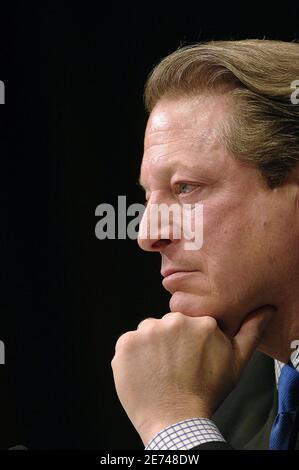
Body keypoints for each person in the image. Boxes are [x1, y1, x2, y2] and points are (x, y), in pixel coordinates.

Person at [111, 39, 299, 450]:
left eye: (186, 188)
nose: (147, 235)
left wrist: (173, 424)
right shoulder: (221, 396)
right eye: (149, 197)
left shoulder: (183, 402)